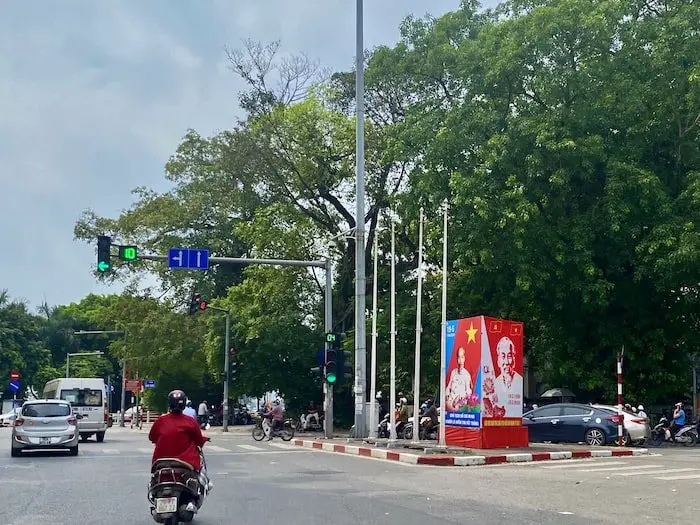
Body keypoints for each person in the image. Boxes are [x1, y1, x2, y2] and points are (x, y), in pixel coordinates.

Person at [149, 390, 212, 492]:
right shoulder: (190, 421)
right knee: (200, 479)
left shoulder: (161, 421)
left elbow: (152, 437)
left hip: (160, 463)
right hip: (185, 463)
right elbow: (199, 441)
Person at [493, 337, 524, 417]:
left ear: (513, 359)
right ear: (498, 360)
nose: (506, 362)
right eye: (503, 356)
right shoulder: (495, 383)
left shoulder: (519, 380)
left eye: (509, 356)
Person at [445, 347, 473, 411]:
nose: (460, 360)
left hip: (460, 403)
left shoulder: (467, 375)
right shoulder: (453, 372)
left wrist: (461, 398)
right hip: (450, 400)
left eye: (462, 357)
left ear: (464, 358)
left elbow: (468, 392)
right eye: (458, 357)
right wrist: (447, 394)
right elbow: (449, 385)